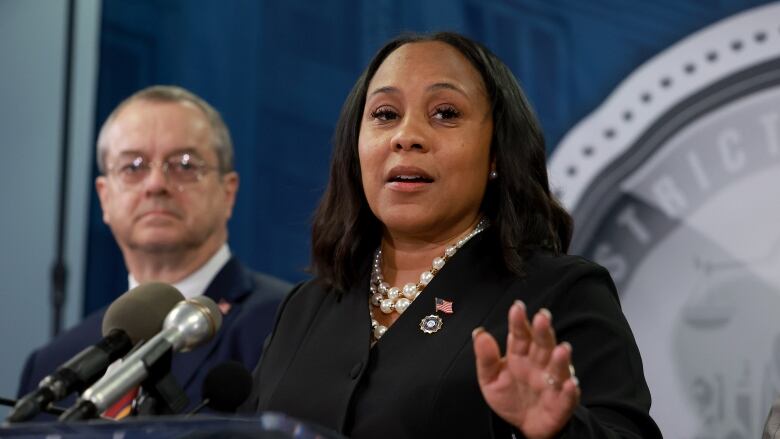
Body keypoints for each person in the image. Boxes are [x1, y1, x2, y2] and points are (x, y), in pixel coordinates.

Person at [243, 32, 661, 438]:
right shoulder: (305, 307)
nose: (406, 136)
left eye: (446, 113)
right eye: (385, 115)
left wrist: (557, 431)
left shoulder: (559, 295)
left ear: (497, 152)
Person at [18, 85, 290, 416]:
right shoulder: (51, 365)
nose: (156, 184)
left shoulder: (287, 324)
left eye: (184, 165)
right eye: (133, 166)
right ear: (104, 197)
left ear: (228, 192)